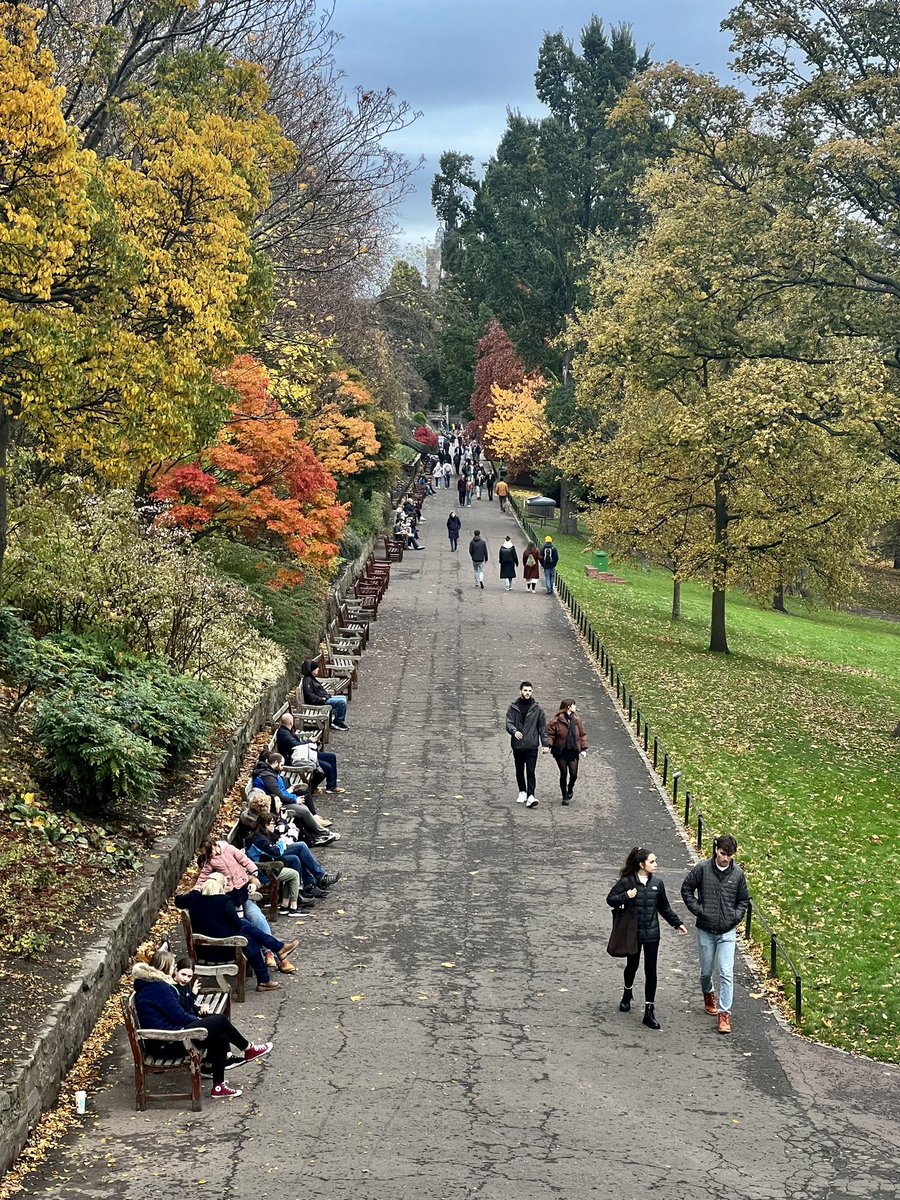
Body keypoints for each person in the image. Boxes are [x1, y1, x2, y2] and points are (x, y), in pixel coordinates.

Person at [133, 950, 272, 1099]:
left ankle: (219, 1087)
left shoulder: (153, 985)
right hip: (167, 1043)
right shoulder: (159, 988)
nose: (174, 969)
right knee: (219, 1020)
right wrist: (201, 1024)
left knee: (221, 1034)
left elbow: (175, 1015)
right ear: (164, 968)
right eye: (173, 966)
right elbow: (179, 1016)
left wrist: (202, 1023)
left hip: (169, 1038)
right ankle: (248, 1048)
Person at [175, 874, 299, 994]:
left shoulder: (194, 898)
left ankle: (276, 952)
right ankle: (272, 961)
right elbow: (236, 925)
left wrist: (192, 890)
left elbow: (177, 901)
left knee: (246, 930)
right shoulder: (224, 900)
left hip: (202, 950)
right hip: (224, 950)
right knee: (247, 932)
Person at [606, 848, 687, 1030]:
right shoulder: (627, 882)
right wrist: (626, 896)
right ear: (642, 865)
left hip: (652, 934)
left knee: (651, 971)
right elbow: (610, 899)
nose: (656, 864)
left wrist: (677, 923)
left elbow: (664, 908)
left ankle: (649, 1010)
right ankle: (627, 993)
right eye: (652, 862)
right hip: (632, 934)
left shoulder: (658, 883)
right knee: (632, 966)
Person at [680, 835, 749, 1034]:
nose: (725, 859)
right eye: (723, 853)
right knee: (706, 970)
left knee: (727, 972)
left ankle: (724, 1014)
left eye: (729, 855)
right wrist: (699, 910)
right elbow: (686, 889)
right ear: (716, 850)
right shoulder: (702, 869)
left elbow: (743, 900)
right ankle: (708, 992)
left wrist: (735, 917)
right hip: (706, 929)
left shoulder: (737, 874)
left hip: (727, 930)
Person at [275, 713, 346, 799]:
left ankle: (332, 786)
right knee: (326, 767)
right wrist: (309, 741)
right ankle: (314, 787)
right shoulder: (284, 733)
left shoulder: (286, 730)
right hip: (296, 759)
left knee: (331, 757)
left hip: (304, 753)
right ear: (291, 722)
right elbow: (296, 745)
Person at [504, 681, 549, 808]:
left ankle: (531, 795)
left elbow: (542, 727)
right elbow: (509, 723)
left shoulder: (537, 708)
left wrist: (545, 744)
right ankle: (522, 791)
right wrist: (514, 731)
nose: (527, 693)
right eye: (525, 690)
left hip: (531, 745)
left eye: (529, 691)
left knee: (531, 770)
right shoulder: (513, 707)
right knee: (519, 770)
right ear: (520, 691)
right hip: (518, 745)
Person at [546, 699, 588, 805]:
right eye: (574, 705)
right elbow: (550, 734)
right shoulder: (556, 720)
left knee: (573, 774)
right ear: (568, 706)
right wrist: (548, 745)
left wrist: (583, 748)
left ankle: (570, 787)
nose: (575, 707)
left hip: (573, 750)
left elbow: (582, 734)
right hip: (560, 750)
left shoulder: (576, 720)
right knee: (563, 773)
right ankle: (564, 795)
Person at [300, 660, 349, 730]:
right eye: (316, 668)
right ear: (312, 670)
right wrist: (321, 699)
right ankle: (338, 722)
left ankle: (338, 719)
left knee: (343, 698)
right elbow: (309, 695)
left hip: (323, 698)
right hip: (319, 702)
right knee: (342, 702)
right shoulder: (308, 680)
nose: (318, 669)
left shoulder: (311, 678)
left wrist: (325, 696)